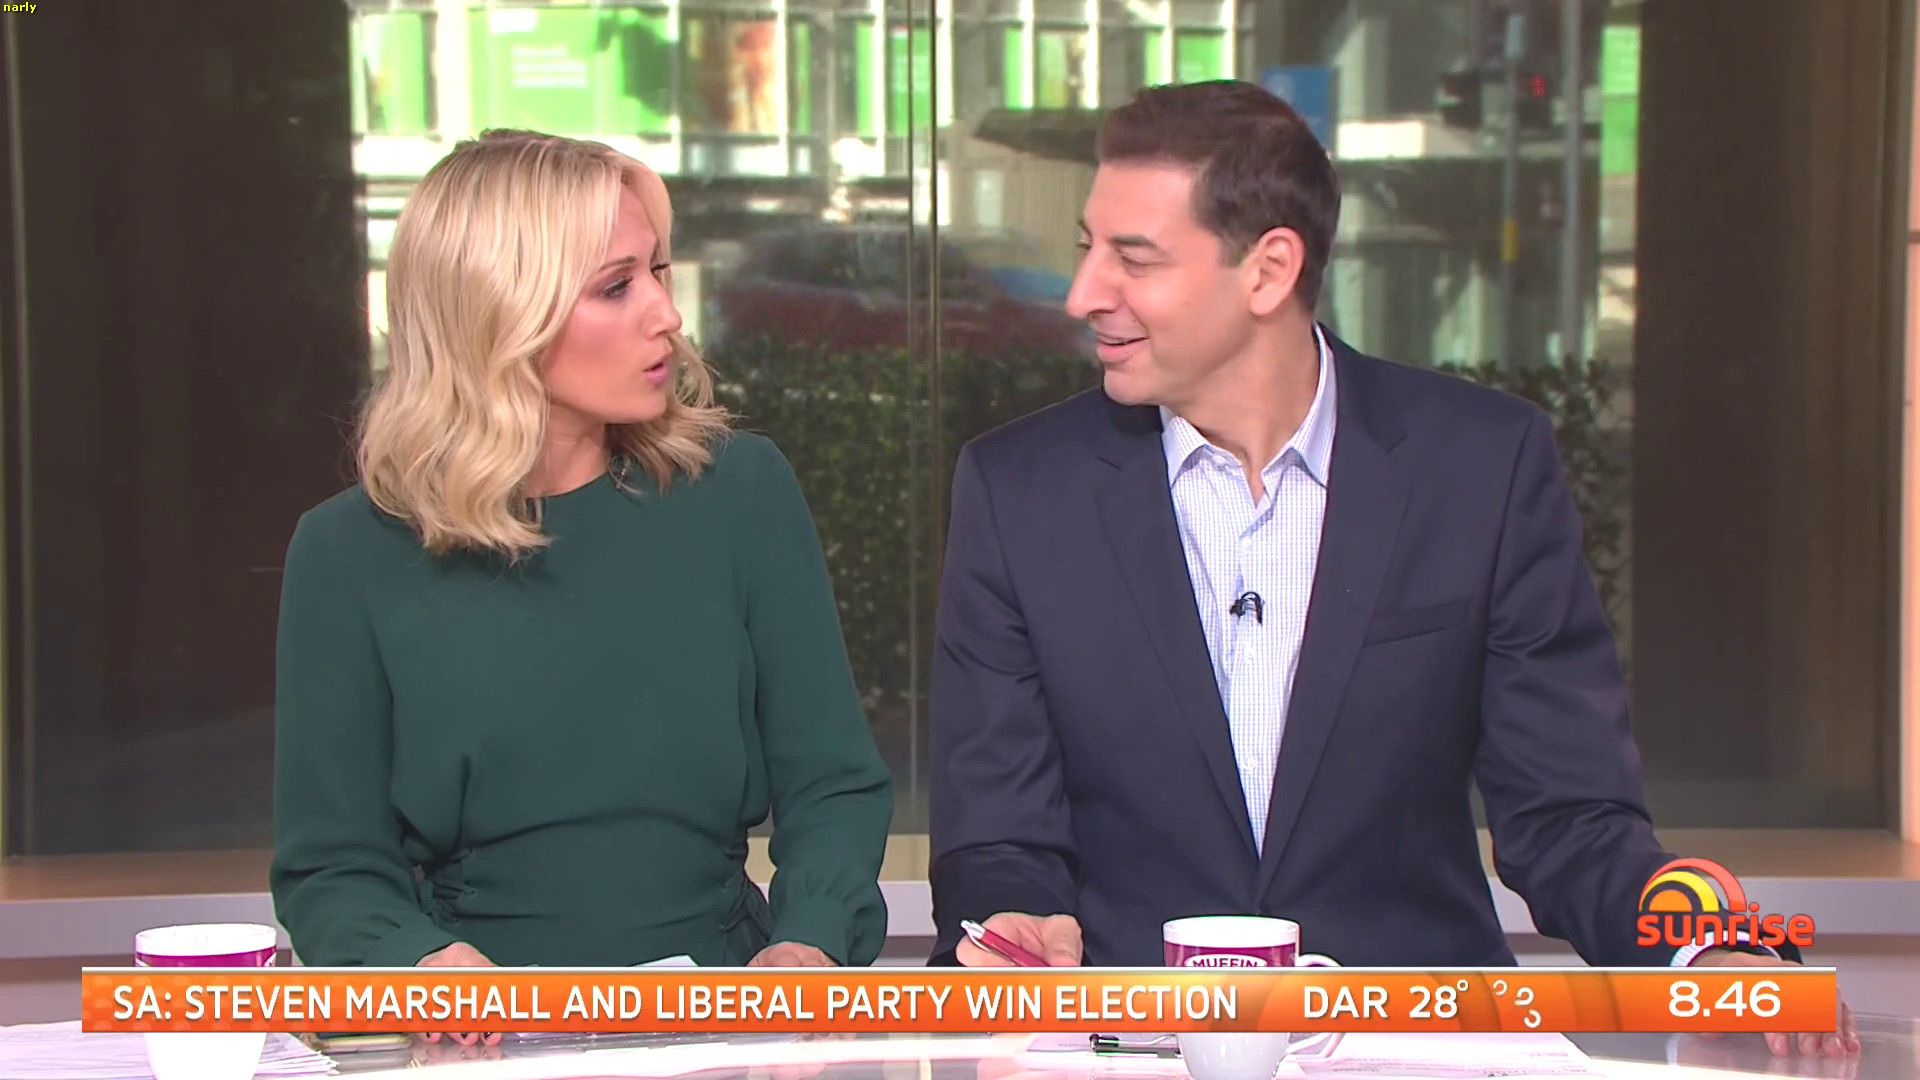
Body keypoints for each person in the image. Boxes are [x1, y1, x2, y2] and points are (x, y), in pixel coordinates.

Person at [926, 81, 1855, 1059]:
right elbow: (998, 837)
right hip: (1133, 1054)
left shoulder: (1480, 468)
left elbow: (1572, 818)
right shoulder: (1021, 493)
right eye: (1089, 248)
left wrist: (1714, 949)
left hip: (1422, 1051)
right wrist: (1014, 925)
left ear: (1269, 269)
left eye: (1135, 258)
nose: (1083, 294)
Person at [271, 131, 893, 993]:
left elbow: (832, 786)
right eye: (615, 285)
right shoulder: (348, 554)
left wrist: (810, 944)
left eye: (658, 270)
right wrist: (420, 965)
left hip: (727, 1003)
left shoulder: (740, 493)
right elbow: (332, 868)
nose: (667, 314)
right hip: (478, 1025)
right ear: (498, 313)